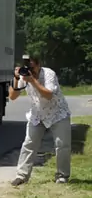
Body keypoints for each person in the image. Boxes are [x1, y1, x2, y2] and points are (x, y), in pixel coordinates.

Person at [8, 54, 72, 186]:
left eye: (33, 67)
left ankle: (62, 176)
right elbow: (13, 96)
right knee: (29, 144)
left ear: (38, 64)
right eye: (29, 67)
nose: (31, 71)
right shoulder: (24, 75)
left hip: (58, 113)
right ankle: (21, 176)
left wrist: (32, 81)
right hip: (37, 115)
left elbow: (48, 94)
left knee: (62, 145)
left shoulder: (49, 74)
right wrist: (16, 78)